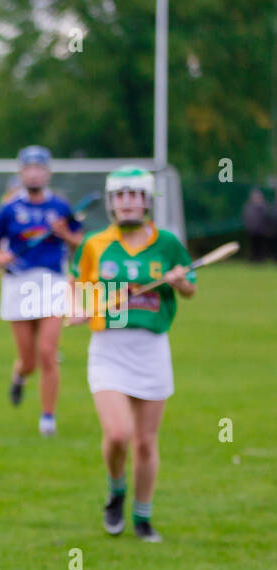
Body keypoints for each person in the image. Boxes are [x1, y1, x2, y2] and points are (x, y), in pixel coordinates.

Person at [66, 167, 197, 542]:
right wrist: (77, 307)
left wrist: (179, 282)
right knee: (119, 434)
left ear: (146, 201)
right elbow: (77, 286)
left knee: (144, 441)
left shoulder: (168, 243)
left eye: (134, 195)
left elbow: (190, 289)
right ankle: (116, 490)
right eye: (120, 195)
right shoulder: (95, 244)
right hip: (109, 350)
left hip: (152, 350)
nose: (127, 202)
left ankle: (142, 516)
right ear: (111, 202)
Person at [0, 146, 83, 436]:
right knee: (29, 361)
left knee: (47, 353)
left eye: (40, 167)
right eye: (29, 168)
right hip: (18, 282)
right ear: (21, 172)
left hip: (52, 281)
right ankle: (19, 375)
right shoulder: (9, 208)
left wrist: (65, 234)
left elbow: (81, 242)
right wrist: (0, 257)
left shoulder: (61, 207)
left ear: (48, 172)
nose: (35, 172)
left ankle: (48, 418)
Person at [242, 188, 269, 263]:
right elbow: (246, 218)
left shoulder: (264, 206)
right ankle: (253, 259)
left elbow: (266, 218)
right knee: (252, 247)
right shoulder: (248, 206)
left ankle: (261, 259)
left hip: (261, 231)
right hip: (252, 231)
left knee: (261, 247)